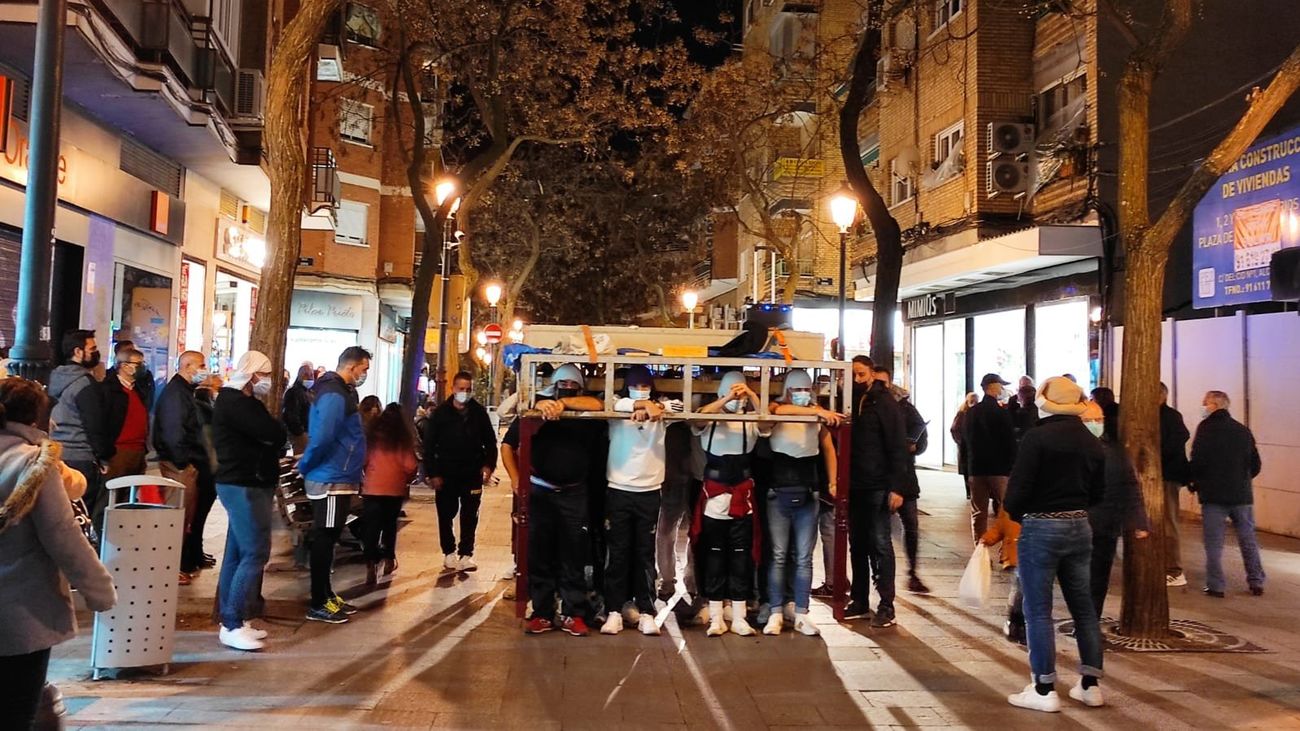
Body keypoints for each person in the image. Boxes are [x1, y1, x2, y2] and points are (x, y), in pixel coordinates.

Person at [0, 378, 116, 725]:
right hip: (22, 611)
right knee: (16, 710)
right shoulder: (33, 463)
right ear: (36, 420)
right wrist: (100, 591)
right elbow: (62, 535)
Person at [1003, 376, 1106, 713]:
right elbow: (1098, 493)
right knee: (1084, 609)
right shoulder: (1092, 441)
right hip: (1079, 526)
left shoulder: (1037, 438)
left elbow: (1017, 490)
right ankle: (1090, 685)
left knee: (1038, 611)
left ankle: (1044, 687)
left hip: (1041, 527)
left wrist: (1019, 513)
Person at [503, 363, 604, 636]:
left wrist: (564, 404)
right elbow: (508, 444)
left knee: (573, 554)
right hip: (541, 492)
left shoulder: (584, 409)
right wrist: (515, 478)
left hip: (574, 493)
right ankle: (543, 612)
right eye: (563, 385)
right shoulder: (537, 406)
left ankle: (573, 613)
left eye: (573, 386)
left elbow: (597, 403)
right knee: (540, 553)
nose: (567, 389)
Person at [211, 352, 286, 651]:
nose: (266, 380)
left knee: (237, 552)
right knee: (254, 552)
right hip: (243, 484)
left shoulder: (244, 403)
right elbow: (273, 432)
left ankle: (235, 620)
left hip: (249, 482)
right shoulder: (235, 404)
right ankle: (231, 622)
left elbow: (272, 434)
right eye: (263, 374)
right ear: (252, 374)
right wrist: (273, 435)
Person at [692, 371, 771, 637]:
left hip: (742, 497)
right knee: (714, 555)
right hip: (715, 498)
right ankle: (715, 615)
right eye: (732, 393)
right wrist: (726, 398)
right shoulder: (710, 419)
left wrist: (751, 395)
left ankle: (739, 614)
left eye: (740, 394)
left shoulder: (749, 421)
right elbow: (697, 418)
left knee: (740, 557)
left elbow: (766, 424)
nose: (737, 399)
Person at [296, 346, 371, 624]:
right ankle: (318, 601)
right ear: (352, 367)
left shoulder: (340, 392)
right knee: (325, 538)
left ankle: (326, 594)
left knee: (329, 537)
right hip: (330, 478)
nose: (364, 375)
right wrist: (306, 466)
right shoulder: (334, 393)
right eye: (364, 369)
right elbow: (324, 436)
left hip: (338, 475)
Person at [764, 369, 838, 636]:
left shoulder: (818, 417)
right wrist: (816, 412)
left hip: (809, 490)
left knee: (803, 557)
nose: (802, 394)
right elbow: (775, 411)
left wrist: (832, 480)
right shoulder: (781, 409)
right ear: (788, 391)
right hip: (779, 489)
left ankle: (801, 612)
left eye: (806, 389)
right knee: (780, 555)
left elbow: (828, 447)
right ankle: (775, 610)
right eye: (797, 389)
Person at [601, 365, 667, 636]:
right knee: (617, 553)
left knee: (644, 554)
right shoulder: (617, 407)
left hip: (650, 490)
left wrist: (653, 406)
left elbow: (675, 406)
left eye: (645, 386)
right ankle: (614, 610)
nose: (641, 389)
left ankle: (647, 611)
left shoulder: (662, 407)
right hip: (619, 488)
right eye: (636, 386)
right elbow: (613, 404)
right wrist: (638, 404)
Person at [844, 356, 908, 628]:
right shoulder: (852, 400)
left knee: (880, 544)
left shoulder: (884, 403)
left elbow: (897, 446)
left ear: (871, 373)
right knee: (857, 544)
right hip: (856, 484)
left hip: (878, 484)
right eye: (854, 375)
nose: (857, 379)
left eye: (861, 374)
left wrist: (897, 487)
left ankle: (886, 605)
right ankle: (859, 600)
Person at [1189, 390, 1264, 598]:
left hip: (1213, 495)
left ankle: (1216, 586)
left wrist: (1195, 482)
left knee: (1213, 542)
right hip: (1241, 495)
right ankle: (1256, 581)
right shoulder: (1242, 430)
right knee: (1248, 538)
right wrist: (1242, 480)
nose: (1203, 406)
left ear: (1214, 405)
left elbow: (1198, 460)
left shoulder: (1205, 429)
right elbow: (1255, 464)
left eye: (1205, 403)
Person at [423, 371, 497, 573]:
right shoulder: (440, 414)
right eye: (461, 389)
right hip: (446, 473)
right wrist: (432, 473)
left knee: (470, 514)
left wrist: (488, 465)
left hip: (471, 473)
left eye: (468, 389)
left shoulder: (479, 413)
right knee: (445, 514)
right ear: (453, 389)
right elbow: (429, 446)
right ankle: (448, 552)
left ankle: (466, 553)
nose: (464, 393)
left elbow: (490, 442)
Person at [1085, 401, 1149, 619]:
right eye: (1089, 420)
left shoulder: (1115, 450)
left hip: (1105, 525)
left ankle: (1089, 622)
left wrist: (1139, 520)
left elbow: (1130, 485)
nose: (1095, 423)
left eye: (1099, 419)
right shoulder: (1070, 449)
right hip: (1075, 525)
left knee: (1098, 577)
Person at [154, 351, 212, 583]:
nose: (204, 369)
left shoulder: (185, 392)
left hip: (186, 462)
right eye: (201, 364)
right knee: (177, 517)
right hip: (179, 465)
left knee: (184, 516)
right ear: (187, 366)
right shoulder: (176, 394)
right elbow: (173, 431)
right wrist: (183, 462)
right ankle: (171, 567)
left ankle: (178, 563)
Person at [873, 365, 931, 595]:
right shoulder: (868, 405)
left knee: (911, 527)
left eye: (883, 383)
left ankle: (912, 572)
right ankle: (882, 577)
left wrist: (916, 446)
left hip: (905, 477)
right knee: (880, 533)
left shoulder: (905, 407)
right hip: (880, 478)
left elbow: (922, 434)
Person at [48, 330, 106, 531]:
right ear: (78, 352)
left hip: (58, 452)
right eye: (93, 349)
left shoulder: (55, 378)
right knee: (82, 514)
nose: (96, 353)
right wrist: (103, 457)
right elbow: (95, 425)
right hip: (81, 456)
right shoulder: (85, 384)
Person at [361, 403, 419, 585]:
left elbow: (363, 460)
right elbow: (410, 465)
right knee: (389, 526)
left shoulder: (372, 438)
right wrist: (407, 478)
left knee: (371, 527)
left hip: (372, 488)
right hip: (394, 489)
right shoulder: (402, 440)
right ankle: (388, 559)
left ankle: (371, 560)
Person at [83, 347, 150, 488]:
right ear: (124, 366)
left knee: (128, 501)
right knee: (110, 498)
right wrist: (104, 455)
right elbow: (99, 425)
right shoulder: (108, 391)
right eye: (139, 364)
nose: (143, 368)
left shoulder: (138, 390)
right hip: (117, 453)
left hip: (137, 452)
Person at [964, 373, 1016, 545]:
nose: (1002, 389)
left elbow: (965, 441)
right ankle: (1006, 550)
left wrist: (968, 468)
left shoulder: (971, 413)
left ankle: (980, 551)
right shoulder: (1001, 413)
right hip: (999, 469)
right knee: (1006, 509)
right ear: (992, 387)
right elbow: (1009, 442)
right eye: (1000, 386)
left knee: (978, 512)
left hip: (976, 469)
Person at [1159, 383, 1191, 587]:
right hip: (1166, 474)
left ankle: (1174, 569)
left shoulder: (1169, 417)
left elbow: (1172, 444)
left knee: (1168, 521)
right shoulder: (1168, 417)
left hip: (1167, 476)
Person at [981, 506, 1023, 643]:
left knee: (1022, 591)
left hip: (1026, 554)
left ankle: (1018, 623)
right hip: (1017, 555)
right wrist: (987, 539)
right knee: (1019, 590)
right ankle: (1014, 622)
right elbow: (1000, 526)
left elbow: (1000, 526)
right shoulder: (1010, 505)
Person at [106, 339, 156, 411]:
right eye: (129, 351)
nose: (134, 353)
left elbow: (148, 401)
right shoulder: (108, 381)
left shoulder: (145, 377)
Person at [282, 363, 316, 455]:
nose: (309, 378)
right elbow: (291, 416)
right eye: (306, 375)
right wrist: (301, 434)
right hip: (301, 435)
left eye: (311, 375)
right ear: (300, 376)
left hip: (311, 433)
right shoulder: (293, 392)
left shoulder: (310, 392)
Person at [950, 392, 978, 500]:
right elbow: (954, 429)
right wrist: (961, 442)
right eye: (972, 401)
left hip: (973, 446)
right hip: (965, 447)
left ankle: (972, 491)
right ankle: (969, 492)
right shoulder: (962, 414)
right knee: (967, 469)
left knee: (971, 470)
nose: (974, 404)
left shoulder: (976, 413)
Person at [1011, 377, 1038, 442]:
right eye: (1023, 386)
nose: (1025, 388)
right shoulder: (1013, 400)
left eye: (1028, 386)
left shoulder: (1039, 402)